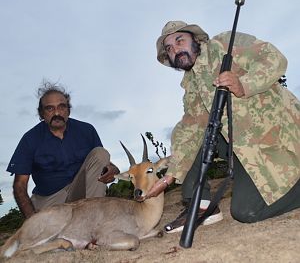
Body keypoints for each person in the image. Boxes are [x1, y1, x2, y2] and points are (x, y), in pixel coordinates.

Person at [146, 20, 300, 234]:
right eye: (169, 49)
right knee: (194, 135)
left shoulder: (225, 43)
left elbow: (274, 58)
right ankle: (201, 206)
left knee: (246, 212)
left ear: (196, 40)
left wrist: (244, 84)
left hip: (278, 135)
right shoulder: (191, 85)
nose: (175, 50)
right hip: (243, 147)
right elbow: (190, 130)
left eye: (179, 41)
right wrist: (170, 175)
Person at [7, 81, 120, 219]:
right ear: (41, 114)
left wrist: (114, 170)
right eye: (50, 109)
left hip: (83, 193)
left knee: (101, 152)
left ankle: (92, 219)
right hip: (49, 198)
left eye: (61, 107)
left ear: (68, 110)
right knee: (45, 232)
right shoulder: (30, 139)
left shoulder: (86, 130)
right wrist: (32, 220)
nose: (57, 113)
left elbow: (102, 163)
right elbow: (20, 185)